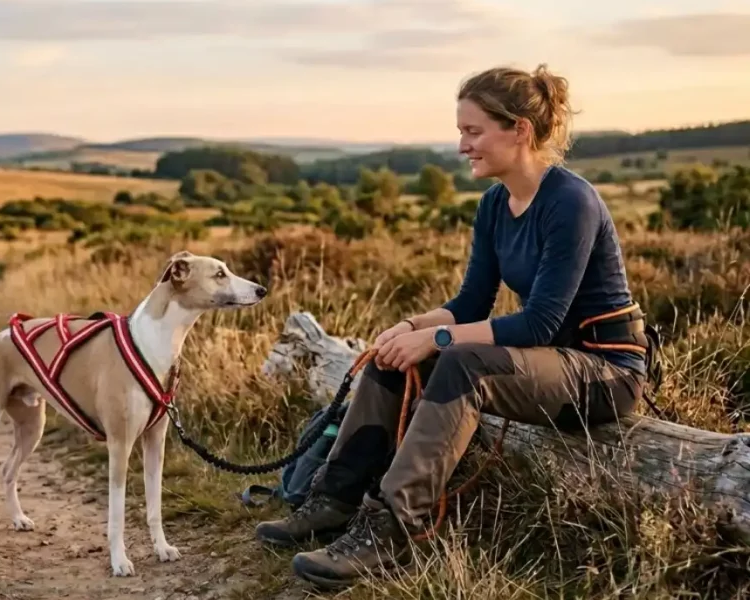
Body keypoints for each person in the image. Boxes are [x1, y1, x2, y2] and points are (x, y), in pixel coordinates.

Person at [254, 63, 651, 590]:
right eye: (461, 131)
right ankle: (332, 500)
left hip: (605, 372)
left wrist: (438, 339)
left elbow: (539, 323)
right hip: (546, 361)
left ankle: (394, 529)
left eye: (473, 131)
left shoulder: (571, 202)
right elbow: (470, 303)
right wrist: (409, 328)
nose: (462, 145)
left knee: (463, 362)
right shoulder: (493, 204)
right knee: (395, 353)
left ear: (520, 131)